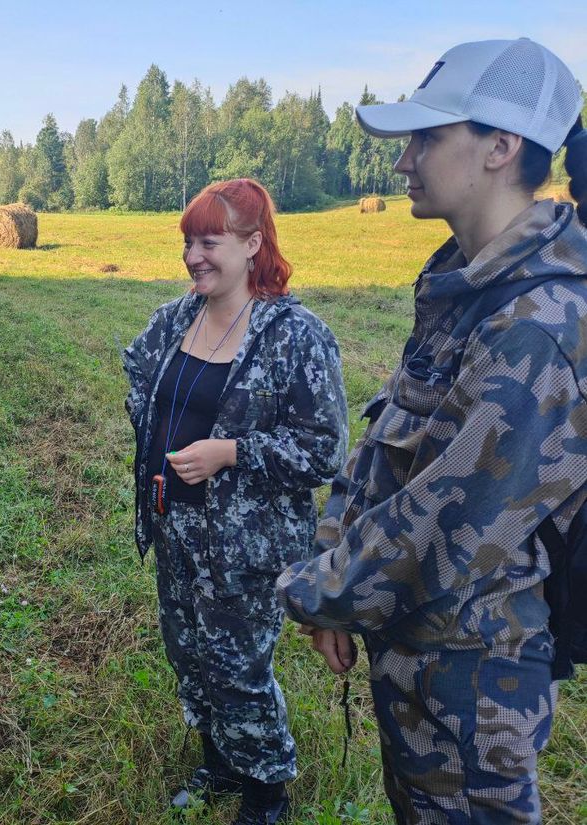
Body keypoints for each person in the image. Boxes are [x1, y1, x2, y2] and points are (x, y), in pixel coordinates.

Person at [277, 38, 587, 824]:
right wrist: (332, 548)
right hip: (420, 656)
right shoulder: (466, 280)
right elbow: (388, 437)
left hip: (474, 689)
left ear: (499, 147)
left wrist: (312, 590)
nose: (402, 160)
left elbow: (441, 529)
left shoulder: (536, 325)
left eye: (426, 137)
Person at [123, 179, 348, 823]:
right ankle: (219, 763)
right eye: (188, 243)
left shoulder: (295, 337)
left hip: (246, 549)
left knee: (239, 671)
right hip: (175, 528)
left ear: (252, 245)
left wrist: (232, 452)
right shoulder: (176, 319)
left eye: (209, 243)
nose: (193, 257)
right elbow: (138, 371)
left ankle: (265, 792)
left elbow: (324, 450)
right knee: (190, 657)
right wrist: (154, 432)